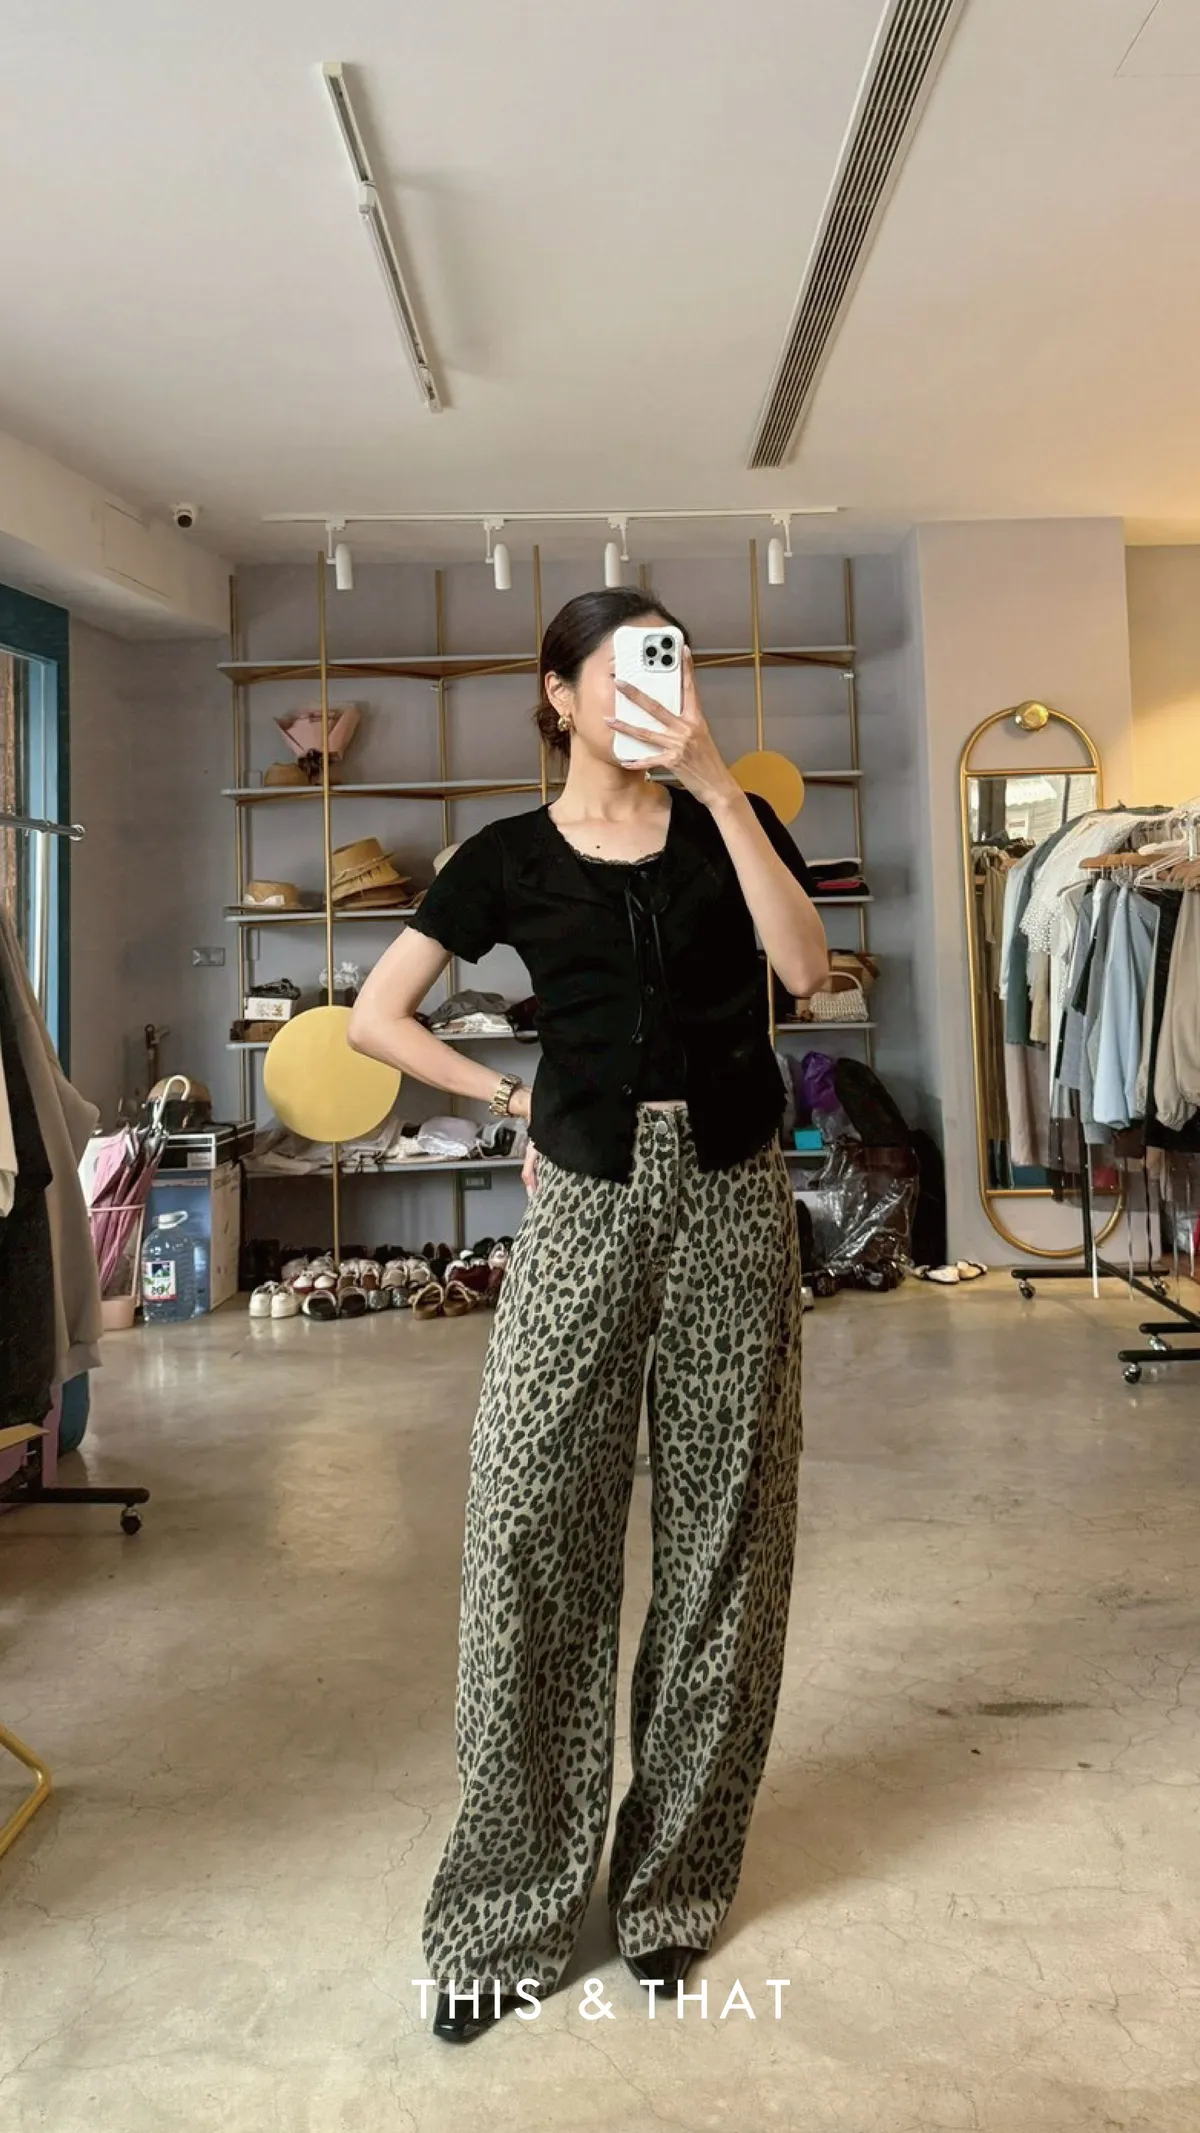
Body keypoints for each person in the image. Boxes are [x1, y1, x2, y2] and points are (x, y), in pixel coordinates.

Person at [348, 586, 828, 2043]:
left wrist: (721, 792)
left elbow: (806, 971)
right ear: (558, 696)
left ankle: (674, 1891)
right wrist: (510, 1105)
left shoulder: (734, 819)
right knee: (529, 1526)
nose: (647, 699)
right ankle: (509, 1910)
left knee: (727, 1534)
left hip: (736, 1194)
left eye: (665, 672)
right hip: (583, 1202)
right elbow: (377, 1015)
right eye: (618, 676)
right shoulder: (504, 858)